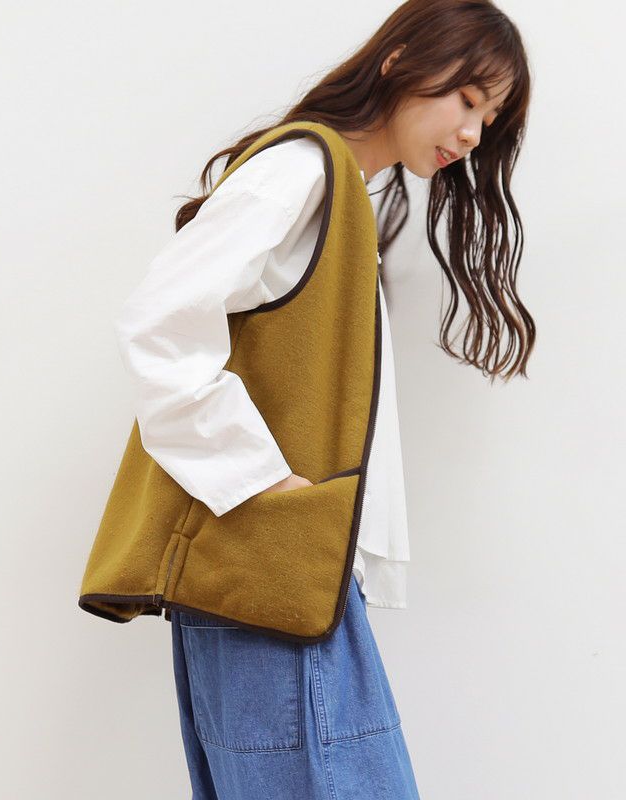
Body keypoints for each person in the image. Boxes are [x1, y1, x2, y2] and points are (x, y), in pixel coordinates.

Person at [109, 1, 534, 796]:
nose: (474, 132)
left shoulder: (334, 191)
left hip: (289, 574)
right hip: (276, 572)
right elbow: (160, 329)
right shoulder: (301, 174)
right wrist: (266, 485)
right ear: (401, 60)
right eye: (468, 98)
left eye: (490, 117)